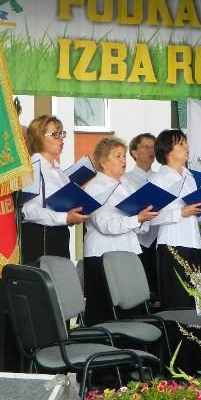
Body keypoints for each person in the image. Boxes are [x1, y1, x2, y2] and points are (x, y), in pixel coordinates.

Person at [83, 137, 159, 325]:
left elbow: (138, 226)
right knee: (106, 313)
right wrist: (137, 218)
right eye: (117, 156)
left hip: (129, 252)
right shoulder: (94, 187)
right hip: (103, 255)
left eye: (124, 156)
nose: (123, 160)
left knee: (132, 312)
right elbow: (104, 224)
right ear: (103, 161)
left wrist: (144, 218)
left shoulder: (128, 184)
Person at [148, 129, 201, 310]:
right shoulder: (157, 179)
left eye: (186, 142)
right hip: (172, 245)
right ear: (168, 150)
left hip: (193, 244)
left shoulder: (190, 177)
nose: (187, 147)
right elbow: (150, 218)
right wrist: (180, 212)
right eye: (181, 144)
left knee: (195, 301)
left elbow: (194, 215)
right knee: (176, 301)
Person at [20, 115, 88, 263]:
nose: (61, 138)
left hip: (59, 238)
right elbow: (27, 211)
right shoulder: (33, 168)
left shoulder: (59, 171)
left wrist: (73, 215)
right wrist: (65, 217)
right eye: (55, 134)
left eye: (61, 133)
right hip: (40, 241)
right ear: (39, 137)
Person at [122, 133, 159, 297]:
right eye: (146, 147)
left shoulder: (160, 178)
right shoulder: (125, 179)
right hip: (134, 240)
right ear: (134, 152)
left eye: (153, 147)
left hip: (158, 237)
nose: (151, 150)